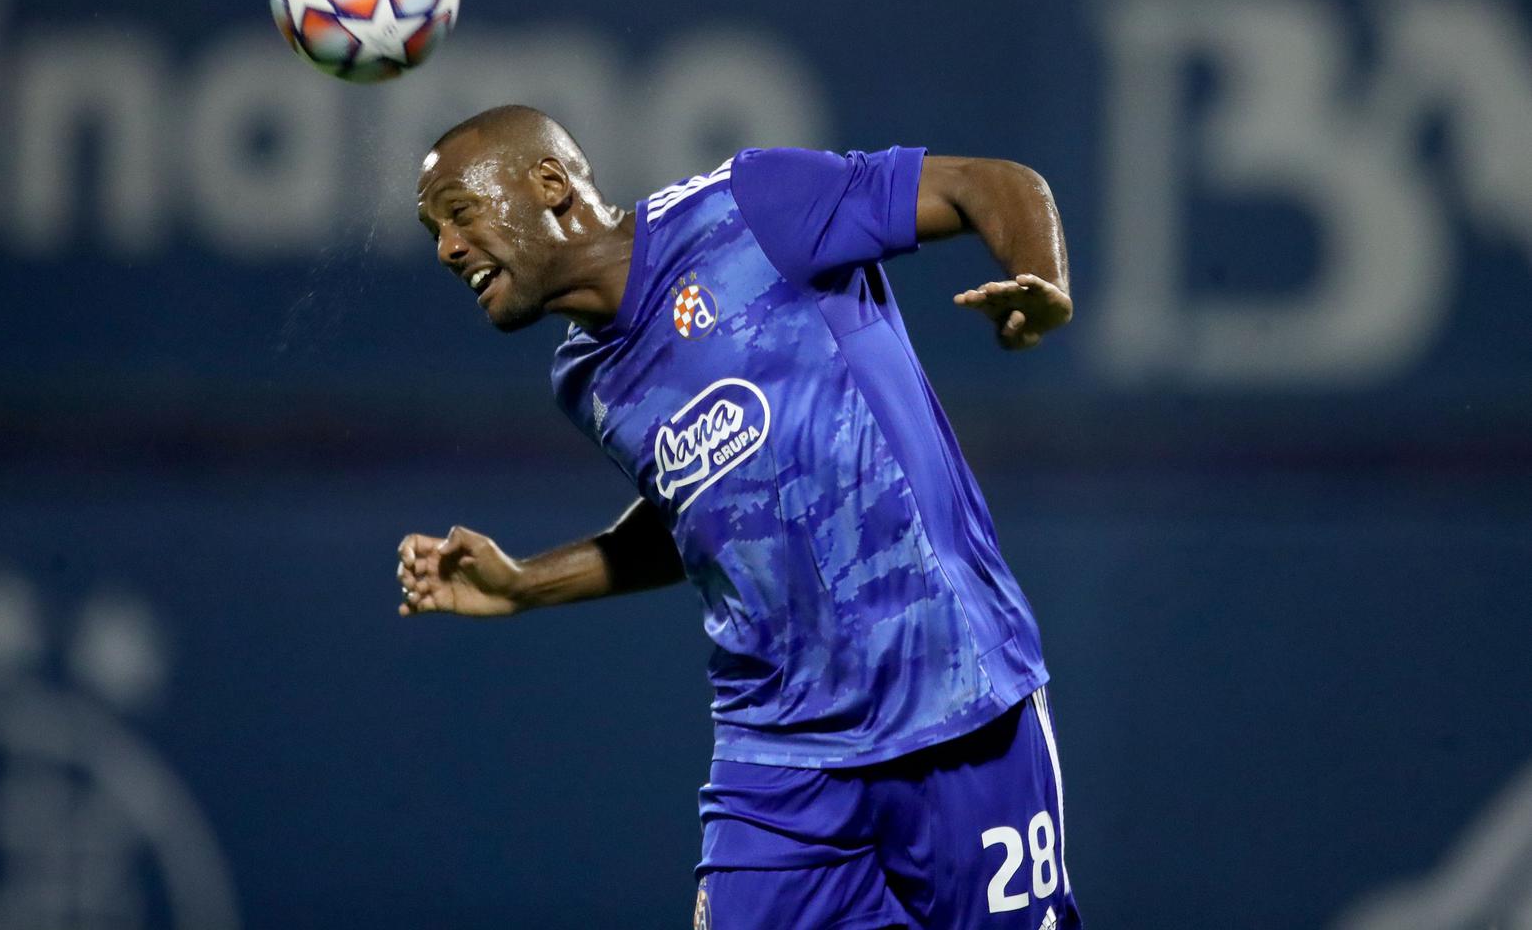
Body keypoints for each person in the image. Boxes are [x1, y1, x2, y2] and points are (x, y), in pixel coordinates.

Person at [396, 104, 1082, 930]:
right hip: (779, 758)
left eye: (460, 213)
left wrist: (1041, 282)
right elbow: (706, 514)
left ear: (548, 183)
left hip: (955, 699)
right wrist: (525, 585)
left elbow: (989, 184)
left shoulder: (751, 207)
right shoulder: (585, 379)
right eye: (435, 229)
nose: (446, 249)